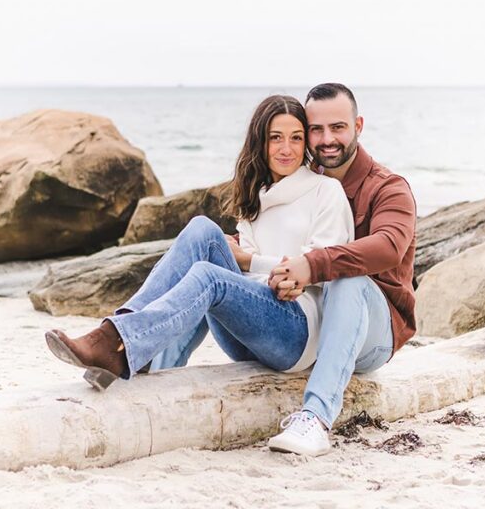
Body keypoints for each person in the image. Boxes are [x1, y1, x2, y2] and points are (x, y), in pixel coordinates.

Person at [130, 83, 418, 458]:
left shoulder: (388, 187)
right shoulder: (292, 183)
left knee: (348, 277)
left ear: (358, 126)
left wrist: (311, 265)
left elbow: (389, 247)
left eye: (338, 128)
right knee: (206, 239)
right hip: (296, 320)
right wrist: (241, 255)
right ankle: (136, 350)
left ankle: (315, 417)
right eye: (316, 130)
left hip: (372, 329)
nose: (326, 139)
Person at [44, 94, 355, 411]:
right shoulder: (256, 198)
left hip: (295, 336)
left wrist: (253, 262)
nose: (286, 148)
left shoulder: (325, 191)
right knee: (202, 230)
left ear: (306, 144)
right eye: (276, 137)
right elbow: (245, 278)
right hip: (248, 332)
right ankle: (122, 342)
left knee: (209, 277)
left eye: (296, 138)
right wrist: (250, 266)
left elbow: (323, 267)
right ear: (260, 142)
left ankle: (114, 343)